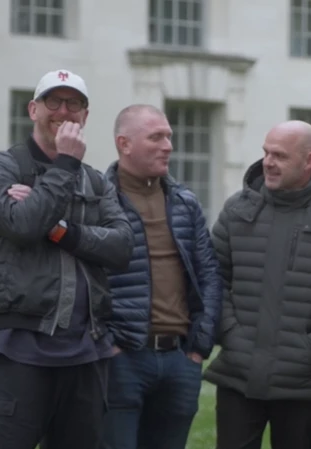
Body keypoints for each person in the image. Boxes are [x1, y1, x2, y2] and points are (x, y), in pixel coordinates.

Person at [0, 69, 135, 449]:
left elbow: (122, 247)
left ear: (85, 116)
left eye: (74, 104)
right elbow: (24, 225)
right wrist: (65, 165)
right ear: (33, 110)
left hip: (86, 351)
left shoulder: (96, 181)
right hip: (18, 347)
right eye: (53, 101)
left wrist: (61, 231)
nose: (63, 111)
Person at [204, 120, 311, 449]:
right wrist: (232, 336)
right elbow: (212, 279)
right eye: (266, 153)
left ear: (310, 161)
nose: (267, 162)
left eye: (279, 155)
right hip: (238, 374)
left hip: (302, 382)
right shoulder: (237, 210)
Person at [99, 105, 222, 449]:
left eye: (168, 136)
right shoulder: (96, 201)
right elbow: (83, 278)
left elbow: (208, 275)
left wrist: (198, 347)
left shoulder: (184, 202)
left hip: (180, 360)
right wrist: (107, 345)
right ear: (124, 144)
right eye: (156, 137)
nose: (168, 145)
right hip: (121, 360)